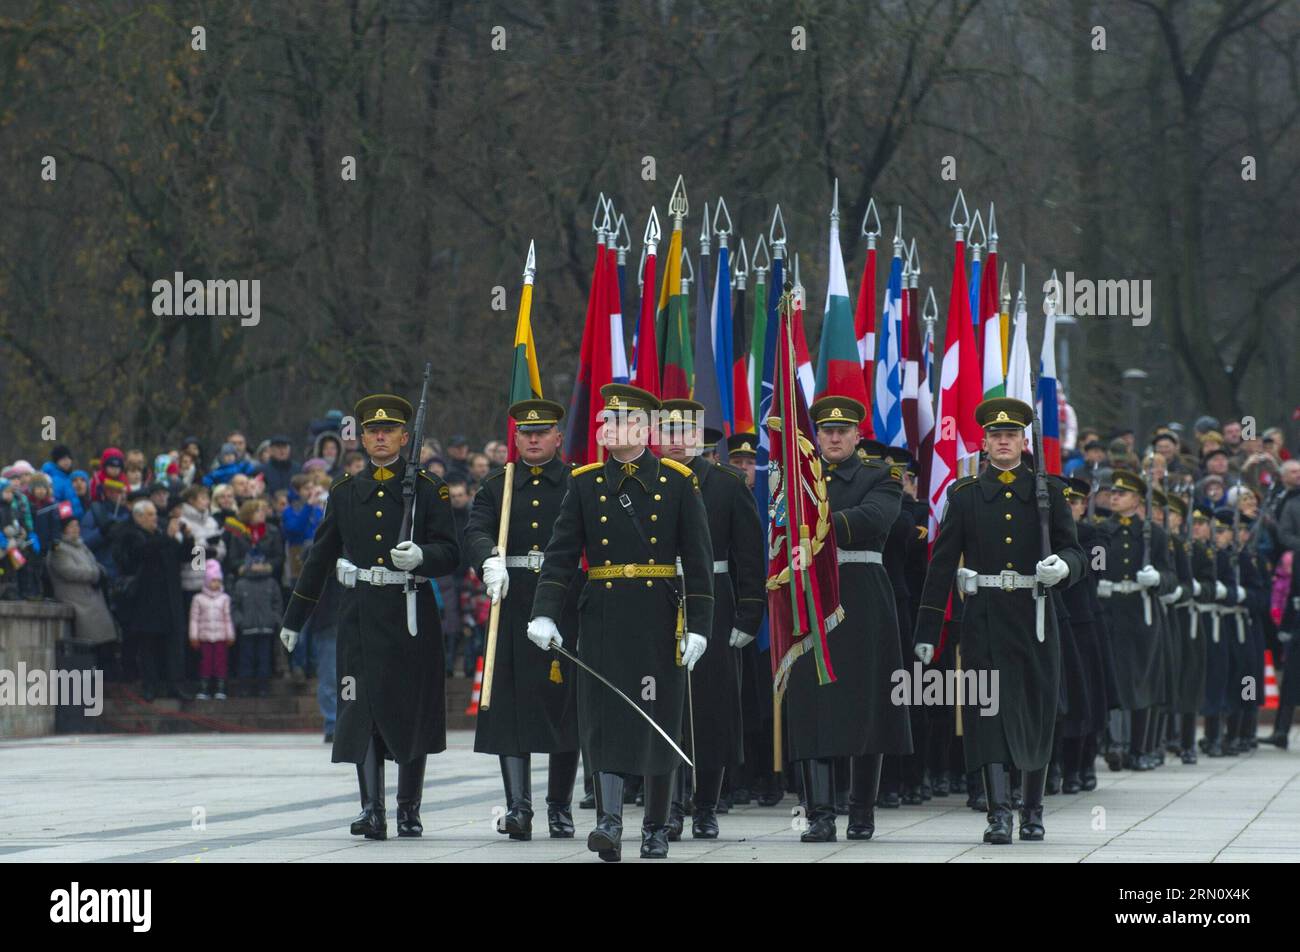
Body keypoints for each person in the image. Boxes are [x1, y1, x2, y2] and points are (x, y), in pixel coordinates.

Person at [528, 383, 713, 861]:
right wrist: (545, 611)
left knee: (657, 718)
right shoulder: (585, 482)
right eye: (605, 422)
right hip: (604, 615)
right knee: (603, 718)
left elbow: (697, 559)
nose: (609, 429)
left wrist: (700, 624)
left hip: (658, 616)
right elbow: (562, 554)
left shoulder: (676, 482)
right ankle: (608, 822)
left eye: (622, 421)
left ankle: (654, 827)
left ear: (647, 428)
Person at [279, 392, 461, 841]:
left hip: (410, 613)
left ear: (404, 435)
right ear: (361, 438)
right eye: (372, 431)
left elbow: (451, 553)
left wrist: (421, 556)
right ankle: (371, 810)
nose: (380, 437)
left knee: (410, 710)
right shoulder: (345, 492)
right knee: (361, 711)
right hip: (361, 612)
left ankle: (408, 809)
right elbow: (319, 557)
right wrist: (294, 618)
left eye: (389, 430)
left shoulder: (428, 488)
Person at [914, 398, 1084, 844]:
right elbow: (940, 564)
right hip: (985, 617)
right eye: (995, 435)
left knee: (1035, 710)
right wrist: (928, 631)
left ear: (1024, 442)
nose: (1003, 441)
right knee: (985, 713)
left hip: (1035, 615)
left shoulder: (1048, 492)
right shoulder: (966, 496)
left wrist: (1063, 567)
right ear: (984, 443)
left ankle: (1032, 809)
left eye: (1011, 435)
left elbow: (1075, 551)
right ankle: (998, 813)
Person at [786, 396, 911, 844]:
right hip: (810, 598)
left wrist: (813, 525)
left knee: (866, 706)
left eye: (843, 430)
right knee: (812, 705)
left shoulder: (881, 476)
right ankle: (820, 813)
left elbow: (876, 518)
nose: (834, 437)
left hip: (861, 596)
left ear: (858, 435)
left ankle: (861, 809)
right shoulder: (799, 479)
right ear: (816, 435)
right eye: (825, 430)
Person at [465, 399, 581, 841]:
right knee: (510, 708)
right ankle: (518, 807)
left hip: (563, 603)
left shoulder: (576, 482)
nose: (533, 439)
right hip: (511, 603)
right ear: (515, 438)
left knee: (563, 708)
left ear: (557, 437)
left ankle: (559, 808)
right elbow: (475, 530)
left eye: (542, 432)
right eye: (525, 433)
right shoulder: (498, 485)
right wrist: (486, 560)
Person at [656, 399, 765, 839]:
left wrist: (748, 614)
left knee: (712, 707)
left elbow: (749, 556)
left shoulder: (726, 484)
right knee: (667, 707)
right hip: (661, 597)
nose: (678, 442)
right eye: (670, 432)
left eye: (686, 433)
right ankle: (672, 804)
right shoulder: (650, 481)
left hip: (715, 600)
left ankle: (706, 804)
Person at [1097, 468, 1178, 771]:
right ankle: (1114, 744)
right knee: (1115, 678)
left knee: (1142, 681)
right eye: (1113, 493)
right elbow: (1092, 566)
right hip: (1111, 611)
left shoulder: (1154, 534)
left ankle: (1140, 749)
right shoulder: (1102, 530)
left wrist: (1157, 579)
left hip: (1142, 615)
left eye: (1122, 493)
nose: (1115, 497)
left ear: (1137, 500)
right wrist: (1098, 582)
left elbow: (1171, 577)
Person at [113, 499, 192, 701]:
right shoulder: (130, 534)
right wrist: (168, 536)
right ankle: (151, 685)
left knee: (173, 645)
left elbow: (187, 558)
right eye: (149, 515)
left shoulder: (161, 535)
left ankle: (176, 684)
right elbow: (141, 553)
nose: (155, 518)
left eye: (155, 514)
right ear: (138, 517)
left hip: (170, 598)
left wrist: (190, 539)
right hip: (146, 600)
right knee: (148, 647)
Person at [47, 512, 119, 671]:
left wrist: (101, 571)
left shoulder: (81, 545)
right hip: (76, 598)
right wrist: (95, 574)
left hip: (92, 596)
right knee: (90, 638)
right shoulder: (57, 547)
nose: (76, 529)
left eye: (77, 525)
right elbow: (68, 570)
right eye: (72, 526)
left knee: (104, 641)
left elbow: (94, 563)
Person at [233, 551, 283, 697]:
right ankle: (245, 687)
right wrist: (240, 621)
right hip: (246, 629)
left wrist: (274, 619)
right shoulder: (240, 584)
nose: (257, 566)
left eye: (260, 563)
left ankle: (263, 687)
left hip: (266, 629)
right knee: (246, 659)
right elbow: (234, 606)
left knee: (264, 659)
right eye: (254, 563)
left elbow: (277, 604)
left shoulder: (271, 583)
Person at [189, 559, 235, 700]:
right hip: (205, 637)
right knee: (206, 662)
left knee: (220, 662)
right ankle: (204, 688)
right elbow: (194, 619)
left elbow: (228, 618)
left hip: (221, 637)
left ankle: (220, 688)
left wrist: (230, 634)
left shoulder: (225, 598)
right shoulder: (198, 599)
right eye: (213, 580)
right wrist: (193, 636)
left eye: (218, 580)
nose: (216, 584)